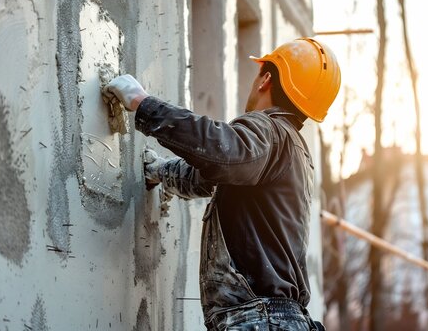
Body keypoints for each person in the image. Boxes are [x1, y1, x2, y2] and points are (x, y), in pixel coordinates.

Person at [104, 38, 341, 331]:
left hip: (261, 319)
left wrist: (144, 105)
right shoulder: (292, 152)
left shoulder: (270, 131)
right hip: (274, 319)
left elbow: (222, 152)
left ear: (266, 79)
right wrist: (159, 172)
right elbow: (208, 176)